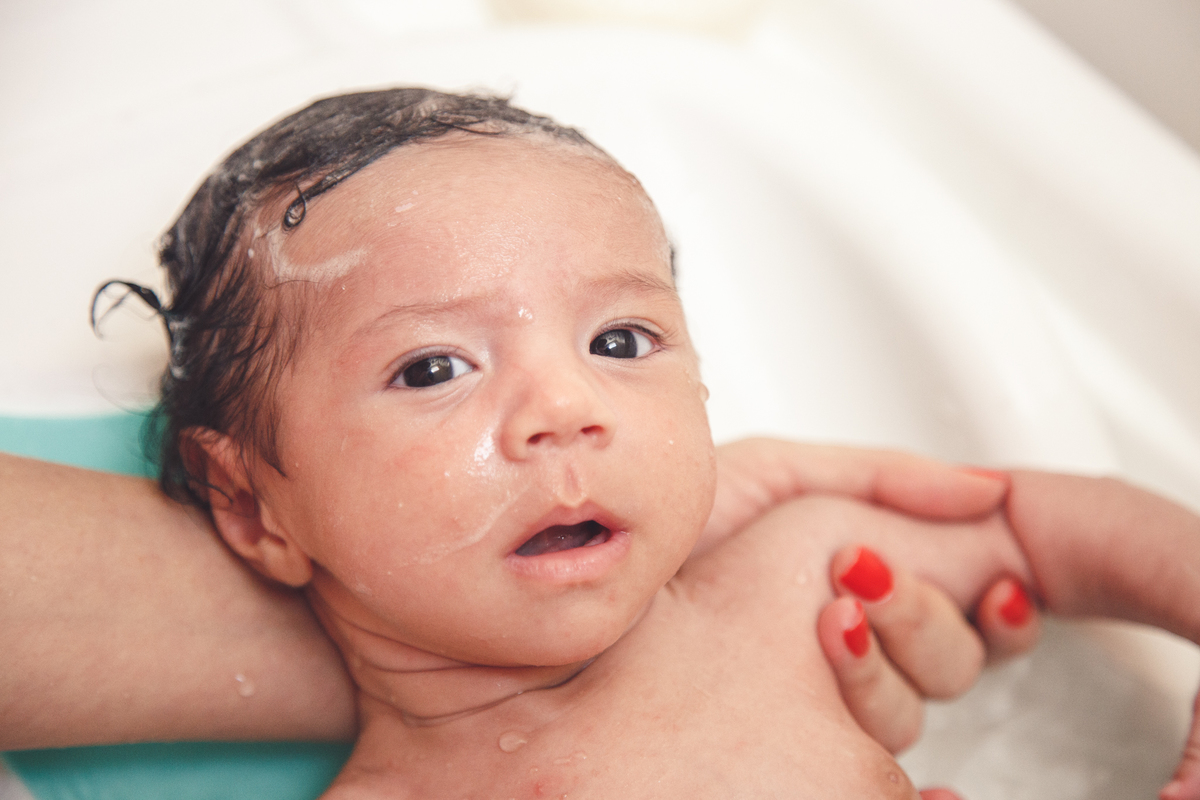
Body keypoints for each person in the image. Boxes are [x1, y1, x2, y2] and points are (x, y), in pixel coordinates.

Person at [1, 88, 1197, 798]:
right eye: (433, 368)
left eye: (622, 340)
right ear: (256, 506)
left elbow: (1045, 518)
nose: (566, 407)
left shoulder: (785, 587)